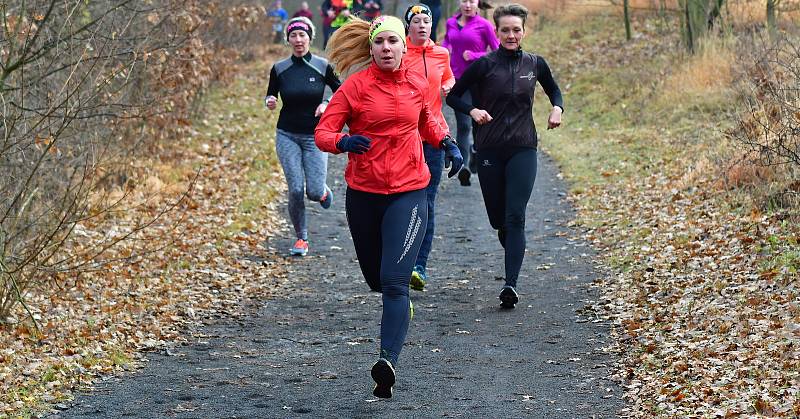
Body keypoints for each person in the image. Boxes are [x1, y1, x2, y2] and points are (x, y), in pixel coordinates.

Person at [316, 16, 463, 398]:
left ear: (403, 47)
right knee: (377, 279)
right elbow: (324, 133)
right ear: (371, 49)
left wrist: (448, 142)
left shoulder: (416, 82)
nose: (386, 48)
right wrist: (344, 144)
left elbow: (429, 119)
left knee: (396, 283)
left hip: (409, 190)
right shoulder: (354, 87)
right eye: (380, 42)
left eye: (393, 42)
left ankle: (386, 363)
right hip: (364, 192)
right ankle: (397, 306)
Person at [446, 3, 563, 308]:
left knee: (516, 216)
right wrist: (473, 110)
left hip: (524, 147)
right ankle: (508, 238)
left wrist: (556, 109)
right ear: (496, 32)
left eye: (517, 30)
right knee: (499, 218)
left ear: (524, 31)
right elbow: (454, 96)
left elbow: (555, 91)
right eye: (506, 30)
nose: (511, 35)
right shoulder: (484, 65)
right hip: (489, 149)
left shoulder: (535, 64)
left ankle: (510, 285)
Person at [264, 17, 342, 256]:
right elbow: (271, 93)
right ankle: (301, 239)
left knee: (313, 191)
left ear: (310, 37)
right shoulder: (279, 68)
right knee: (296, 189)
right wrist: (270, 100)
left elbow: (342, 92)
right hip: (287, 134)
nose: (298, 40)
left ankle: (323, 192)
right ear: (288, 39)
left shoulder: (322, 65)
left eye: (302, 35)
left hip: (315, 137)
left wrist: (327, 104)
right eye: (294, 36)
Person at [402, 4, 455, 291]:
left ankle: (419, 266)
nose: (423, 25)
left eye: (427, 20)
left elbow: (448, 76)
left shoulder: (441, 53)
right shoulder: (400, 53)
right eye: (417, 21)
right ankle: (401, 258)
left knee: (428, 202)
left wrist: (448, 84)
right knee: (405, 200)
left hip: (434, 138)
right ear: (407, 26)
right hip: (405, 138)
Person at [442, 0, 499, 186]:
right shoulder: (451, 22)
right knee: (464, 125)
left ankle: (475, 152)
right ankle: (464, 166)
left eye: (471, 1)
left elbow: (498, 51)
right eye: (464, 0)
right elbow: (446, 44)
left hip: (481, 82)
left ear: (478, 3)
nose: (467, 5)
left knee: (479, 125)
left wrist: (475, 56)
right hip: (459, 82)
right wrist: (442, 54)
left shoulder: (485, 25)